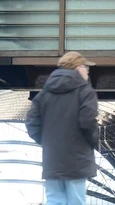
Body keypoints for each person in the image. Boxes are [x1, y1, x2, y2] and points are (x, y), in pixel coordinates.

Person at [25, 51, 98, 205]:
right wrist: (93, 141)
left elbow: (32, 123)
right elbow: (88, 121)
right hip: (77, 158)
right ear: (78, 68)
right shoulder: (85, 92)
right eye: (86, 68)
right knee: (76, 201)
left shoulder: (44, 94)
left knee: (54, 200)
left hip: (52, 159)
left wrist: (47, 141)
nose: (88, 72)